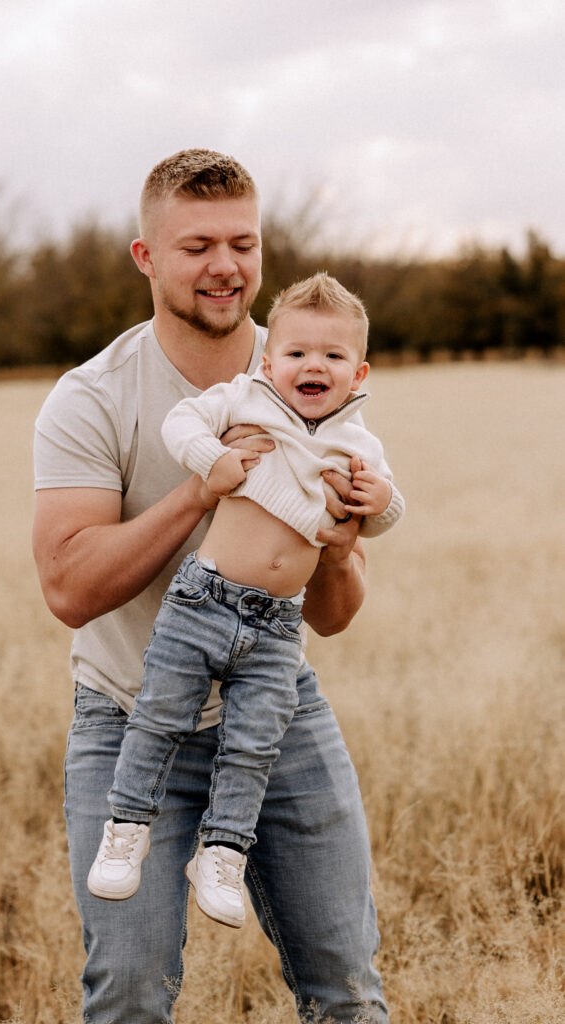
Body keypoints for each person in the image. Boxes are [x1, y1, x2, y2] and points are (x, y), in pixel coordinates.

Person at [33, 149, 389, 1024]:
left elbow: (335, 618)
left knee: (346, 990)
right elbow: (69, 588)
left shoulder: (311, 365)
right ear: (145, 257)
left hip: (277, 711)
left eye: (243, 243)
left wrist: (339, 549)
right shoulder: (93, 398)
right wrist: (203, 487)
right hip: (128, 715)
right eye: (196, 247)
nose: (225, 266)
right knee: (126, 999)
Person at [87, 272, 404, 933]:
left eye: (332, 356)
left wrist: (379, 505)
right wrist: (212, 462)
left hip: (278, 628)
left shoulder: (359, 444)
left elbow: (379, 513)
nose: (311, 366)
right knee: (159, 718)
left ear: (358, 372)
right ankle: (127, 826)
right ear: (268, 361)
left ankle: (223, 852)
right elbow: (183, 421)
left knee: (253, 745)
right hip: (204, 601)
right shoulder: (243, 401)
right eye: (295, 353)